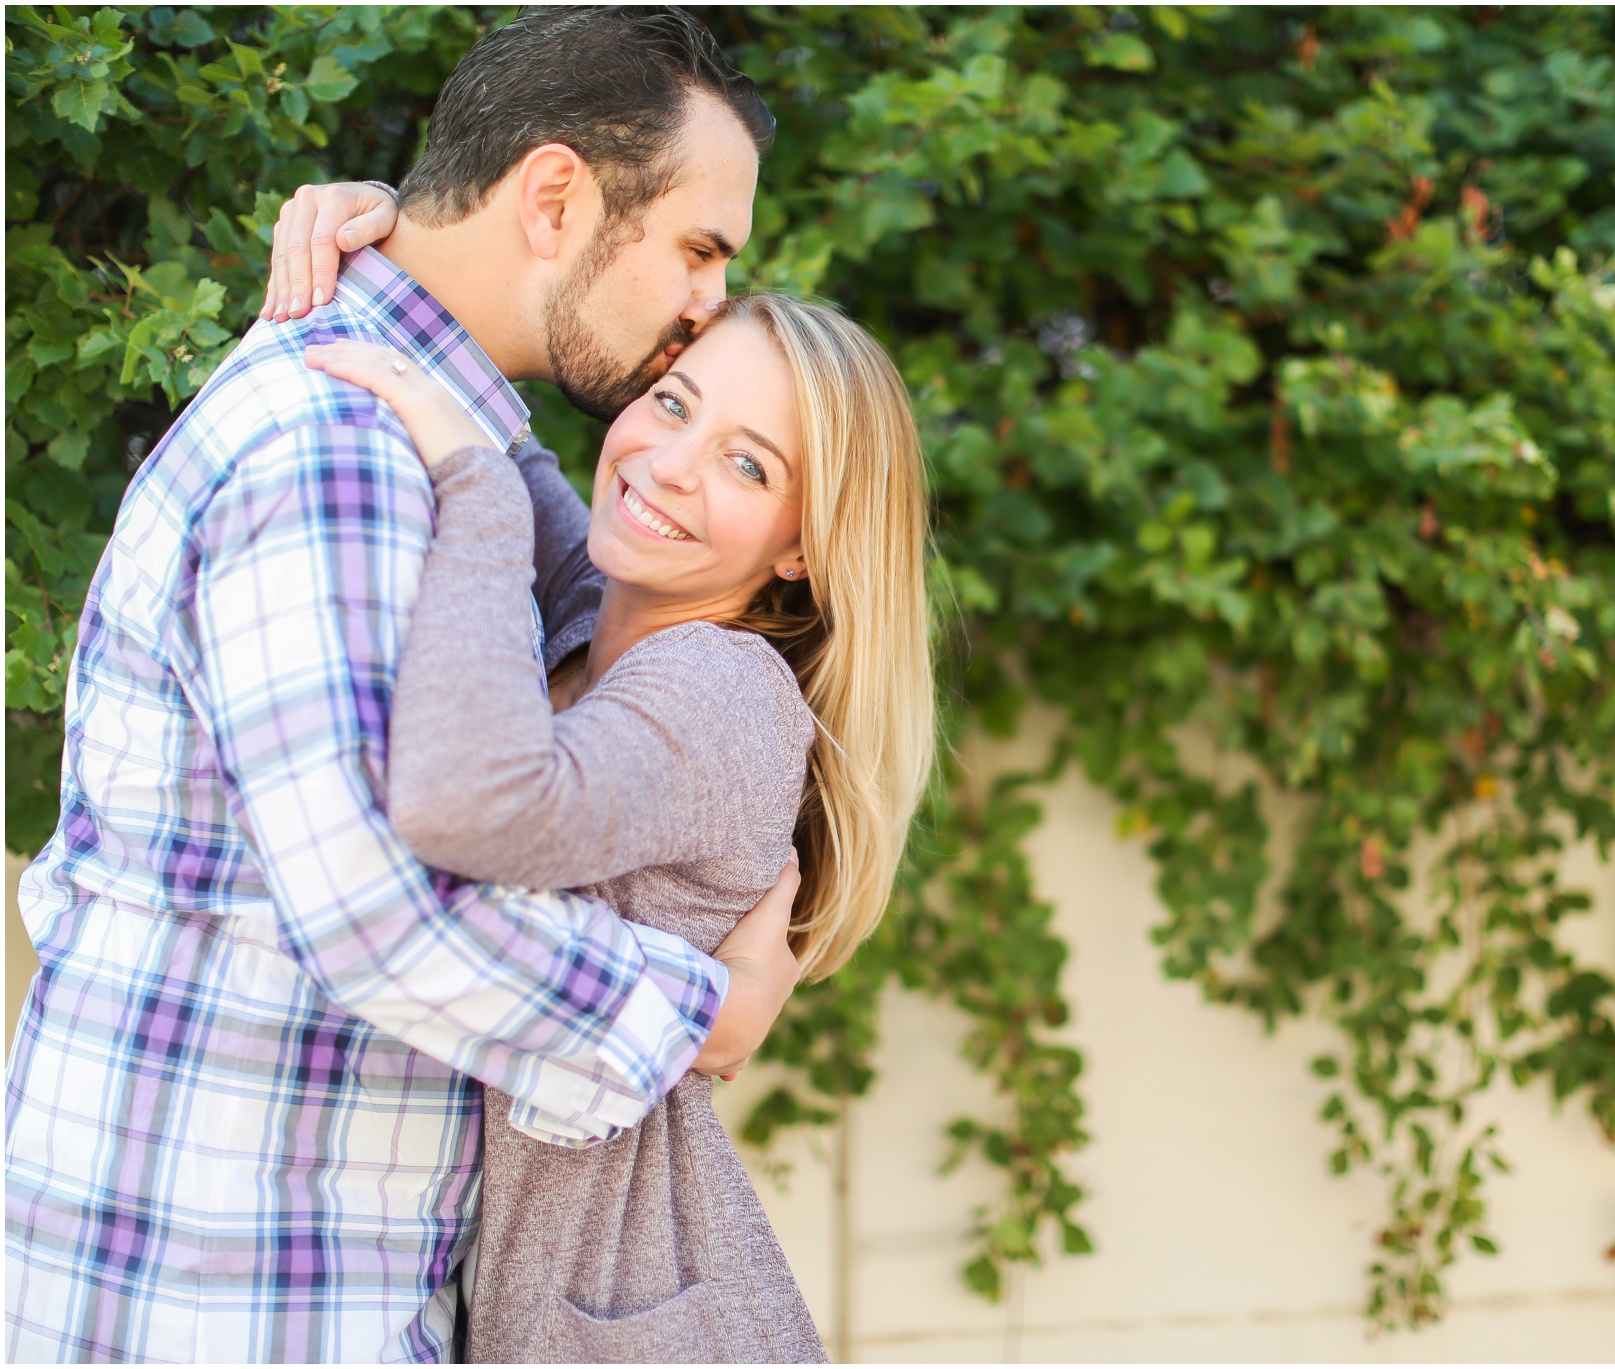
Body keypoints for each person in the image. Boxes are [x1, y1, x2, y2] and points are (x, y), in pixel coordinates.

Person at [4, 10, 802, 1362]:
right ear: (554, 195)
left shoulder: (424, 435)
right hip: (219, 1298)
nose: (706, 303)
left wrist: (394, 224)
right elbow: (381, 913)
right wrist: (697, 1011)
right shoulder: (339, 450)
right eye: (698, 249)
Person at [298, 283, 930, 1360]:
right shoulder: (601, 603)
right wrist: (355, 226)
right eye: (674, 403)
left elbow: (474, 807)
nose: (673, 464)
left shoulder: (723, 691)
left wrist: (474, 496)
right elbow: (479, 384)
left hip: (629, 1327)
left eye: (750, 465)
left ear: (800, 549)